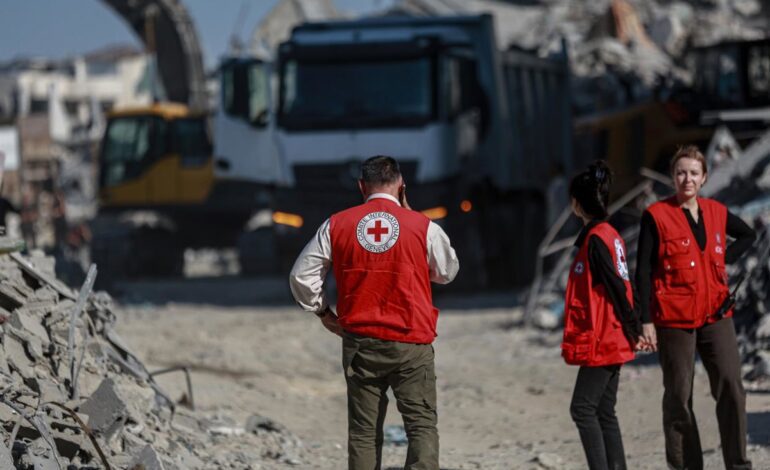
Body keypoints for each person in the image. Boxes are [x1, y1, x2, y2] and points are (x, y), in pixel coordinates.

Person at [289, 155, 459, 470]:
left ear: (361, 187)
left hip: (360, 341)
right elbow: (447, 271)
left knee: (364, 431)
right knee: (421, 424)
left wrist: (324, 312)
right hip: (411, 340)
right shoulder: (423, 226)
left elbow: (302, 276)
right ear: (401, 186)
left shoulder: (336, 223)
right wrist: (410, 217)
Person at [635, 145, 755, 470]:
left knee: (732, 387)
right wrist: (645, 321)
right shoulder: (656, 216)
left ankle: (738, 465)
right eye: (680, 172)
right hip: (674, 319)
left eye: (693, 173)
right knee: (678, 397)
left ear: (703, 178)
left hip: (716, 314)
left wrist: (725, 258)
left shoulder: (716, 211)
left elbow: (748, 235)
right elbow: (643, 271)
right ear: (673, 177)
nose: (687, 178)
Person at [562, 160, 646, 470]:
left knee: (582, 409)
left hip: (605, 338)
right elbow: (625, 284)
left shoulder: (597, 240)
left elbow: (617, 287)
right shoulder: (609, 234)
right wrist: (635, 326)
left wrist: (635, 327)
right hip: (613, 334)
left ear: (576, 203)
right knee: (604, 410)